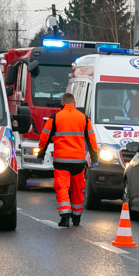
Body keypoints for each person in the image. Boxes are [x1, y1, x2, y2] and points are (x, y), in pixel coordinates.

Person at [37, 93, 99, 227]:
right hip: (78, 160)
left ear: (62, 103)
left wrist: (41, 153)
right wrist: (94, 158)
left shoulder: (56, 117)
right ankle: (76, 217)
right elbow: (91, 139)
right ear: (74, 103)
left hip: (61, 160)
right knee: (77, 188)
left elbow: (44, 137)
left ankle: (64, 217)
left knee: (62, 187)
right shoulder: (83, 118)